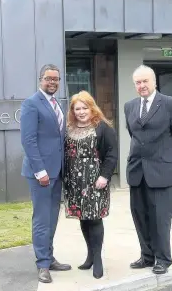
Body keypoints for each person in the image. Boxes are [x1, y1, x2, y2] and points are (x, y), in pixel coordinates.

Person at [123, 65, 172, 275]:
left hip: (161, 170)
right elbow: (133, 135)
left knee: (161, 217)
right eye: (138, 82)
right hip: (137, 171)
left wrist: (167, 157)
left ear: (154, 82)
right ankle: (147, 255)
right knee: (140, 215)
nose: (142, 86)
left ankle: (162, 258)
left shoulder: (170, 104)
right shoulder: (130, 106)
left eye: (145, 81)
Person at [20, 64, 72, 284]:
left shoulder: (57, 104)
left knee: (52, 218)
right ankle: (42, 265)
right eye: (49, 78)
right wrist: (40, 170)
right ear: (40, 79)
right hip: (40, 174)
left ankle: (49, 257)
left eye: (56, 79)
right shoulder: (32, 104)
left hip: (56, 172)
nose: (53, 82)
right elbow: (28, 140)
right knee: (42, 219)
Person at [63, 90, 118, 279]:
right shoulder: (69, 127)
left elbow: (111, 153)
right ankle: (90, 256)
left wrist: (105, 176)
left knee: (94, 218)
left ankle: (98, 259)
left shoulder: (102, 127)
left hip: (95, 181)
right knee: (83, 218)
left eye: (84, 107)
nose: (80, 112)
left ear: (91, 107)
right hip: (75, 182)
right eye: (77, 108)